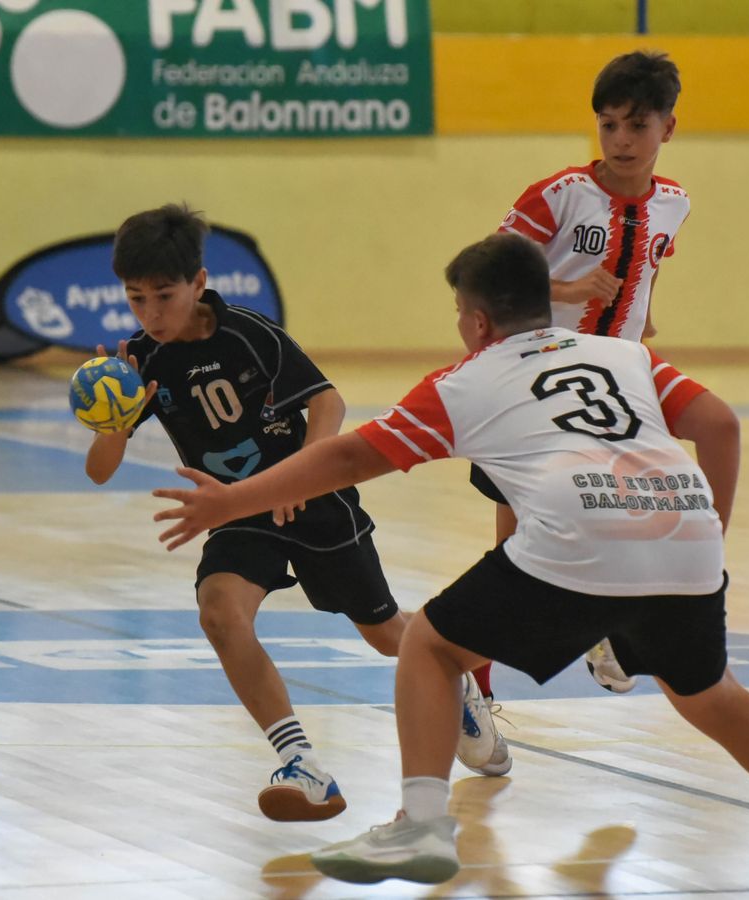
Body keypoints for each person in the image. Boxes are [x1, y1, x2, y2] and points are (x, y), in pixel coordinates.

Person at [153, 233, 749, 885]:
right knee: (709, 694)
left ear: (476, 319)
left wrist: (231, 501)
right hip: (686, 529)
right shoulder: (627, 354)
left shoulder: (466, 379)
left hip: (582, 533)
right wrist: (708, 540)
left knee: (430, 645)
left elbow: (348, 455)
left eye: (458, 316)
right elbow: (720, 424)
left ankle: (420, 825)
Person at [86, 203, 488, 821]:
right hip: (235, 511)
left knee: (385, 635)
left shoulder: (249, 333)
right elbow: (99, 469)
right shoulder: (143, 360)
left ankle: (455, 673)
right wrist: (116, 417)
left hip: (313, 501)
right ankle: (301, 763)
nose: (150, 314)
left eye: (163, 296)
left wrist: (305, 470)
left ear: (198, 283)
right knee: (219, 613)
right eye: (135, 299)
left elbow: (328, 401)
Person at [462, 50, 740, 728]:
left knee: (721, 426)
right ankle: (477, 691)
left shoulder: (675, 203)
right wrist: (565, 289)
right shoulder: (557, 195)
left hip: (628, 366)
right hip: (538, 372)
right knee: (516, 548)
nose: (619, 140)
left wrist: (645, 320)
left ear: (667, 129)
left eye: (635, 126)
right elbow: (484, 277)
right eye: (608, 125)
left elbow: (645, 272)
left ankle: (692, 583)